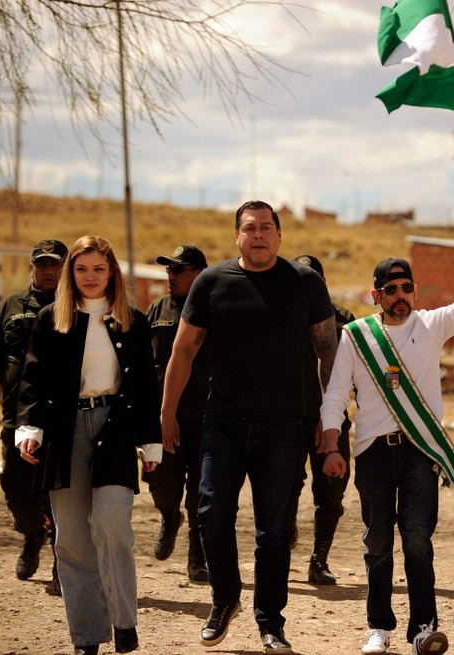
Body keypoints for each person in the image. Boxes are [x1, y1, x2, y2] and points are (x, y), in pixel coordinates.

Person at [321, 213, 454, 655]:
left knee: (418, 542)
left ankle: (423, 628)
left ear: (415, 291)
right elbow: (334, 395)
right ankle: (379, 628)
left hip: (418, 453)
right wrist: (331, 442)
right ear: (377, 295)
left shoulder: (431, 325)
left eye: (407, 288)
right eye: (391, 289)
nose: (400, 296)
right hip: (371, 454)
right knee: (377, 544)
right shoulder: (356, 337)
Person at [160, 200, 337, 654]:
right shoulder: (212, 283)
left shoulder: (305, 283)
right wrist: (166, 414)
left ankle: (271, 622)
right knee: (211, 513)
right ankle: (224, 600)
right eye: (249, 228)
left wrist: (330, 420)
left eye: (266, 227)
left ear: (279, 235)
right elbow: (183, 352)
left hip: (284, 426)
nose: (258, 235)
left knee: (274, 530)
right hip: (223, 422)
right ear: (237, 236)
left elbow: (329, 353)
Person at [14, 235, 163, 655]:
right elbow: (32, 380)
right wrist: (29, 429)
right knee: (72, 539)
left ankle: (124, 619)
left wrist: (149, 442)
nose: (91, 277)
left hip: (113, 428)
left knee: (112, 524)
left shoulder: (132, 319)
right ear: (70, 274)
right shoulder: (50, 319)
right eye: (82, 269)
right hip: (64, 432)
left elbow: (145, 387)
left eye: (99, 269)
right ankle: (87, 637)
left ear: (112, 273)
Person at [0, 238, 68, 594]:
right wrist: (15, 384)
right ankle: (32, 533)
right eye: (41, 264)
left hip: (63, 415)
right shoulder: (10, 306)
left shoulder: (75, 305)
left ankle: (62, 561)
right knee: (16, 487)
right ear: (31, 267)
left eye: (54, 264)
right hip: (16, 414)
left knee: (62, 492)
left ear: (64, 268)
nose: (48, 270)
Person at [144, 245, 211, 582]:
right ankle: (169, 516)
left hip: (206, 417)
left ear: (198, 274)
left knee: (202, 492)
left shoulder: (215, 308)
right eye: (168, 270)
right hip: (163, 417)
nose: (170, 276)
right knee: (162, 485)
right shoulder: (157, 310)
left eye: (178, 270)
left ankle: (197, 557)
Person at [287, 254, 355, 585]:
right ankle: (286, 532)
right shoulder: (279, 318)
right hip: (285, 420)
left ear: (323, 284)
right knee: (283, 489)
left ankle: (319, 559)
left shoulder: (344, 321)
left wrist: (330, 419)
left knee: (330, 492)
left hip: (332, 419)